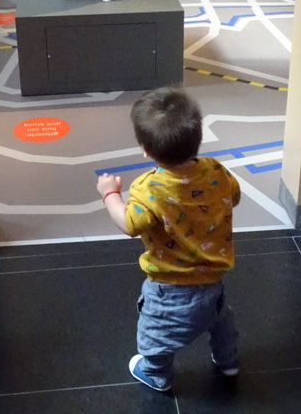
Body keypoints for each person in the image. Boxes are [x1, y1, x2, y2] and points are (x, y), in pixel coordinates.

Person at [96, 87, 241, 392]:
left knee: (155, 333)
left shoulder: (149, 188)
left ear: (145, 149)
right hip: (213, 277)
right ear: (197, 138)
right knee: (221, 321)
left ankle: (156, 374)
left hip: (170, 287)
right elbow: (235, 196)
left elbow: (130, 224)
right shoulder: (216, 170)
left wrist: (110, 194)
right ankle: (228, 362)